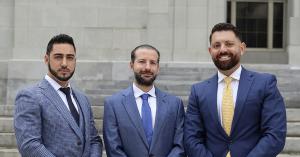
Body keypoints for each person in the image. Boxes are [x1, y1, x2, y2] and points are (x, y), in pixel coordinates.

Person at [184, 23, 286, 157]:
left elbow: (275, 134)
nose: (222, 50)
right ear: (210, 51)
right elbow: (192, 138)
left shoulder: (265, 84)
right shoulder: (198, 91)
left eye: (229, 44)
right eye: (216, 45)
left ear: (242, 48)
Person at [14, 34, 103, 157]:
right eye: (58, 57)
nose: (64, 63)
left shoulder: (83, 100)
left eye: (70, 57)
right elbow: (30, 145)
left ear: (75, 61)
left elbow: (94, 140)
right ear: (46, 59)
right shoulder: (29, 96)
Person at [103, 44, 185, 157]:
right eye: (142, 61)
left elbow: (180, 146)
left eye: (152, 63)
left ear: (158, 67)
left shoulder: (175, 105)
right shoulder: (113, 104)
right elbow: (113, 148)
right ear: (131, 65)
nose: (147, 67)